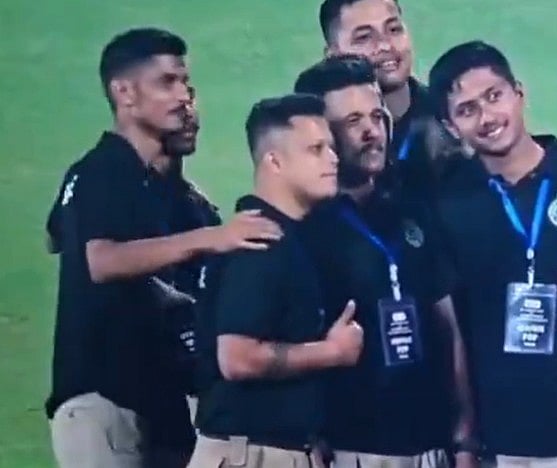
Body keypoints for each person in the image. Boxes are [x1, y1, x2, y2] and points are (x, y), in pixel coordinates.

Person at [45, 27, 280, 468]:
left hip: (167, 401)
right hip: (105, 402)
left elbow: (55, 232)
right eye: (167, 82)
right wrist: (213, 238)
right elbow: (100, 260)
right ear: (125, 93)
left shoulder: (183, 199)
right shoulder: (105, 167)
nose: (185, 96)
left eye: (186, 83)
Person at [294, 55, 476, 468]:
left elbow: (449, 326)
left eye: (377, 116)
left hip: (433, 449)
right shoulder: (303, 231)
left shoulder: (413, 211)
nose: (371, 131)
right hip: (353, 451)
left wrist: (465, 435)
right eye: (352, 121)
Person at [428, 40, 557, 468]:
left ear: (519, 94)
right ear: (450, 127)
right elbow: (453, 329)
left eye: (494, 96)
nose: (487, 118)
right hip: (499, 440)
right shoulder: (449, 205)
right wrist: (465, 436)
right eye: (467, 110)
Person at [189, 93, 364, 468]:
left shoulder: (284, 235)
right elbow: (237, 357)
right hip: (250, 454)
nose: (333, 159)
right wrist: (332, 352)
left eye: (331, 148)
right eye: (316, 149)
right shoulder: (262, 239)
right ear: (274, 161)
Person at [317, 0, 462, 200]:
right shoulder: (317, 135)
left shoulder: (452, 119)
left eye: (394, 29)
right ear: (332, 55)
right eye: (364, 38)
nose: (385, 45)